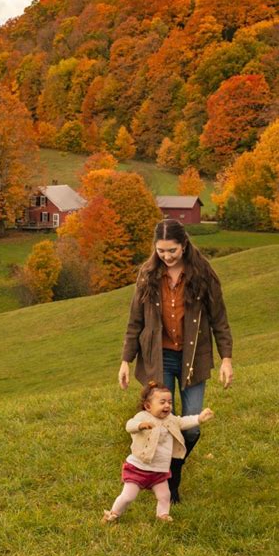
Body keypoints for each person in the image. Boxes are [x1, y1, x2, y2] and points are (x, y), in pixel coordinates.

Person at [118, 218, 232, 503]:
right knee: (161, 421)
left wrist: (226, 359)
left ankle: (170, 473)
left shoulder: (203, 274)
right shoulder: (147, 276)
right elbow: (135, 322)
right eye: (161, 251)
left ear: (184, 245)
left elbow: (219, 320)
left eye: (172, 250)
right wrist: (125, 361)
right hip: (159, 358)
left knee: (190, 430)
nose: (166, 256)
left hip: (194, 358)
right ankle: (167, 487)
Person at [102, 381, 214, 523]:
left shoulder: (170, 419)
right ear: (148, 406)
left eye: (169, 402)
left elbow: (183, 422)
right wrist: (140, 426)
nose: (167, 405)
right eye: (162, 402)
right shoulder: (143, 417)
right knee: (128, 496)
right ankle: (113, 514)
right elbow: (129, 425)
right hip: (138, 468)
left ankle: (162, 516)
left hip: (159, 471)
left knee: (165, 496)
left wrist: (199, 418)